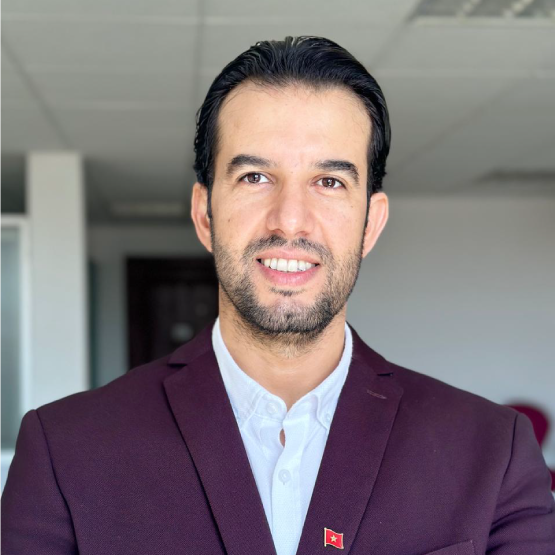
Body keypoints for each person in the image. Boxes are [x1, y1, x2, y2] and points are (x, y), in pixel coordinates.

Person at [0, 36, 553, 555]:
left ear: (371, 223)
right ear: (204, 213)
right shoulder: (65, 450)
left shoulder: (493, 453)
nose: (290, 220)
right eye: (255, 177)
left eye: (330, 182)